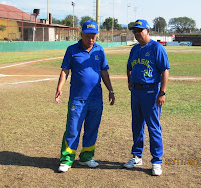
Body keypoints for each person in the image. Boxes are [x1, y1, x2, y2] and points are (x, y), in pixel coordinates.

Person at [55, 20, 115, 173]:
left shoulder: (99, 51)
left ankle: (86, 157)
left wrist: (111, 90)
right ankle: (67, 159)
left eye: (94, 36)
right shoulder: (72, 50)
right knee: (73, 129)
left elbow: (104, 72)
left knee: (92, 129)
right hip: (77, 98)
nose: (91, 40)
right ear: (81, 34)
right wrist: (59, 88)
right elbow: (65, 71)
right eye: (88, 36)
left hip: (96, 98)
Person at [124, 19, 170, 176]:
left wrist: (162, 92)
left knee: (153, 126)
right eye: (134, 31)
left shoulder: (156, 48)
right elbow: (129, 67)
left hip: (151, 92)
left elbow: (164, 70)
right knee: (136, 125)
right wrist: (130, 82)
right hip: (136, 92)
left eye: (140, 30)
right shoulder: (135, 49)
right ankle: (137, 156)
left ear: (148, 31)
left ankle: (157, 161)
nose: (137, 34)